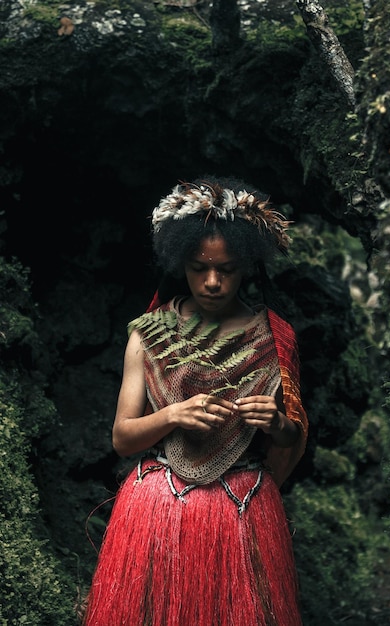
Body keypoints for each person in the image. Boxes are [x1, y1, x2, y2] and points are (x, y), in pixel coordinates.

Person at [82, 177, 308, 626]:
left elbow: (294, 437)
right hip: (156, 509)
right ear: (178, 264)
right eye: (197, 267)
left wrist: (277, 422)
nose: (211, 282)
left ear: (246, 266)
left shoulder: (275, 338)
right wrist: (171, 414)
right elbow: (123, 439)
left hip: (243, 507)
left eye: (226, 269)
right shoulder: (147, 334)